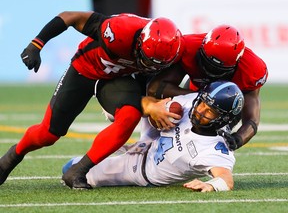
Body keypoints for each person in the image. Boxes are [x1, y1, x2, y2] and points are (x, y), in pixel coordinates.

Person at [0, 11, 182, 189]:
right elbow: (70, 17)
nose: (149, 66)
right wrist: (37, 44)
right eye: (147, 60)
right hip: (84, 69)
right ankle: (9, 159)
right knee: (48, 134)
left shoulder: (174, 47)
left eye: (156, 64)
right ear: (140, 42)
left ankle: (78, 170)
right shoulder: (120, 30)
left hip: (115, 79)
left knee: (130, 115)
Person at [62, 80, 244, 192]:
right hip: (153, 139)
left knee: (70, 168)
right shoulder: (190, 103)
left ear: (223, 119)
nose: (200, 110)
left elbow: (226, 179)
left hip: (141, 171)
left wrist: (211, 185)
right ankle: (114, 108)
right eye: (203, 102)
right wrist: (156, 111)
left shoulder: (215, 149)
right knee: (150, 103)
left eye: (210, 111)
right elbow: (154, 102)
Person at [147, 24, 268, 151]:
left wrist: (238, 139)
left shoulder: (252, 69)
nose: (208, 70)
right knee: (168, 109)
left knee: (208, 139)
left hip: (224, 105)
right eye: (206, 62)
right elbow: (155, 88)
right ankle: (148, 142)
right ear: (202, 48)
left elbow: (252, 119)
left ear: (236, 63)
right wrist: (196, 97)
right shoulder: (188, 46)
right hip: (194, 90)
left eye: (215, 69)